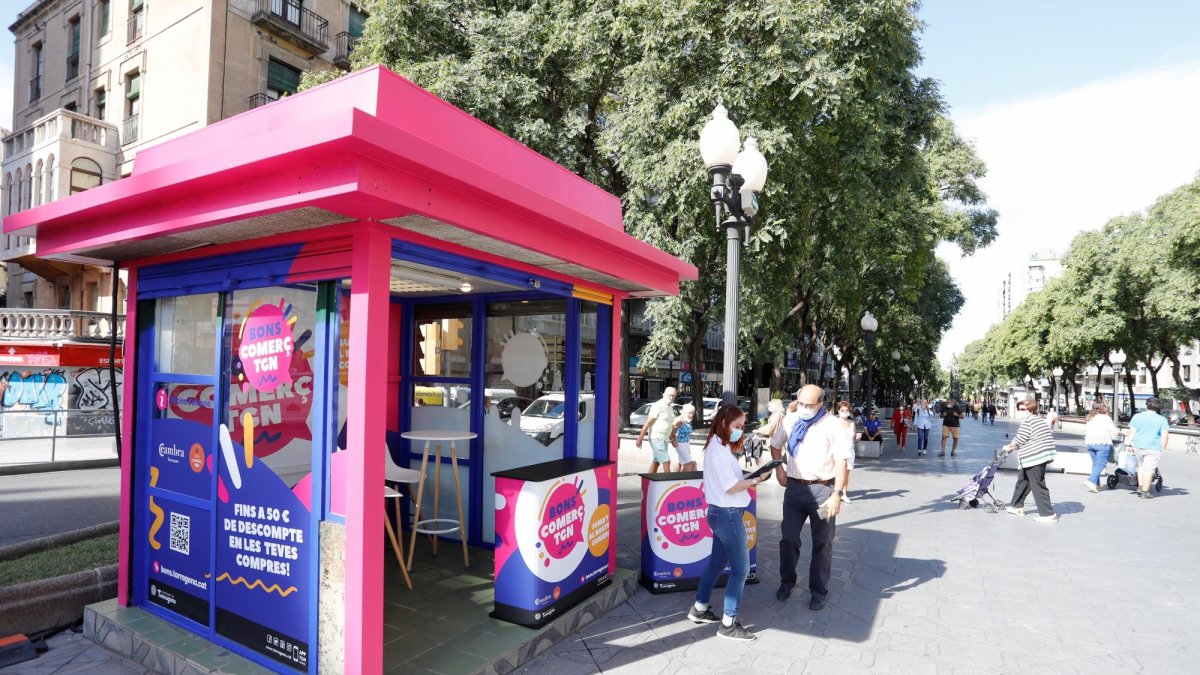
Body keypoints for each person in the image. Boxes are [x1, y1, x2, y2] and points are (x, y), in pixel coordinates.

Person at [687, 404, 771, 642]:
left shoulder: (718, 446)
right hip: (728, 515)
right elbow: (731, 487)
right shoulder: (718, 451)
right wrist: (755, 480)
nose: (740, 431)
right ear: (724, 422)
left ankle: (700, 608)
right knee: (741, 570)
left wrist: (752, 478)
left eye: (742, 427)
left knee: (716, 564)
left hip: (719, 513)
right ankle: (728, 624)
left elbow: (732, 481)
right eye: (737, 426)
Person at [768, 385, 853, 611]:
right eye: (801, 403)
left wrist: (837, 494)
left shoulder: (832, 425)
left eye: (809, 404)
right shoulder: (791, 420)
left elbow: (842, 460)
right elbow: (775, 445)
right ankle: (787, 582)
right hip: (795, 490)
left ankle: (818, 591)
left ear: (820, 404)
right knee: (788, 539)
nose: (804, 408)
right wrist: (779, 469)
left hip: (823, 492)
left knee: (823, 542)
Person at [1002, 397, 1059, 523]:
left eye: (1023, 409)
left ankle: (1048, 514)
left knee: (1038, 484)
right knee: (1024, 480)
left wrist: (1010, 446)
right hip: (1039, 455)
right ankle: (1017, 506)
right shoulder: (1038, 420)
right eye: (1019, 409)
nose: (1021, 411)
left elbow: (1021, 438)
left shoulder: (1028, 421)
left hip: (1035, 456)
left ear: (1031, 409)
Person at [1127, 397, 1171, 499]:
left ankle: (1140, 487)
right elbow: (1165, 436)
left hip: (1137, 446)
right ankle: (1145, 492)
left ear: (1146, 405)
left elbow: (1131, 432)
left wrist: (1128, 444)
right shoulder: (1162, 419)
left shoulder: (1137, 416)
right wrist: (1163, 448)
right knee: (1149, 470)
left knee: (1141, 467)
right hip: (1153, 448)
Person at [636, 387, 677, 474]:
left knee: (656, 462)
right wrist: (640, 439)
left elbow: (671, 425)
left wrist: (674, 439)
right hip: (657, 437)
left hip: (664, 438)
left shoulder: (670, 407)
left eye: (673, 396)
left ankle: (648, 484)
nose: (671, 398)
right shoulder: (658, 405)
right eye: (670, 395)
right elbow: (647, 423)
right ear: (664, 395)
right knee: (667, 461)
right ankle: (669, 484)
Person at [1083, 402, 1119, 493]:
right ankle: (1090, 480)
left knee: (1095, 464)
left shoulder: (1090, 417)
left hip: (1090, 443)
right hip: (1102, 443)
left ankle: (1097, 485)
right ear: (1103, 408)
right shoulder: (1105, 418)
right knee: (1101, 464)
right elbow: (1113, 430)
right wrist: (1123, 433)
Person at [834, 401, 858, 502]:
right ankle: (835, 494)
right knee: (837, 473)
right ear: (838, 411)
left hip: (849, 449)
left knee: (847, 473)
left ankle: (844, 493)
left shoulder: (851, 423)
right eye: (842, 410)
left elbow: (853, 436)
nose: (844, 412)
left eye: (846, 410)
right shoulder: (834, 422)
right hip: (837, 450)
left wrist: (857, 437)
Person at [671, 404, 698, 472]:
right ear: (683, 412)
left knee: (681, 463)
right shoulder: (679, 421)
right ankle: (686, 480)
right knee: (688, 463)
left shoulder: (688, 420)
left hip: (686, 444)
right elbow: (669, 429)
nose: (691, 415)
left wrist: (688, 447)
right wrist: (673, 440)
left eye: (692, 413)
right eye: (689, 413)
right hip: (680, 444)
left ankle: (676, 479)